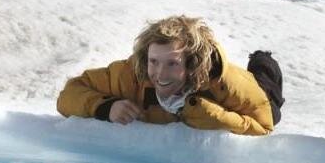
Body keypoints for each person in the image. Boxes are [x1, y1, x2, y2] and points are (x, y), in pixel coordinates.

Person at [57, 15, 284, 135]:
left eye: (172, 63)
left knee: (271, 103)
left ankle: (263, 61)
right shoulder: (131, 74)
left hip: (254, 94)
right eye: (154, 61)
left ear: (192, 64)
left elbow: (264, 126)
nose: (160, 74)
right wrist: (106, 107)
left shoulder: (223, 81)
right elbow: (68, 95)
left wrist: (213, 116)